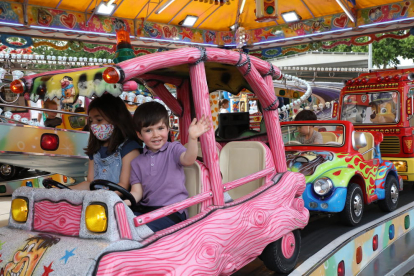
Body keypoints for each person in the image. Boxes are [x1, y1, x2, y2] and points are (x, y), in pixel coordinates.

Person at [127, 101, 211, 232]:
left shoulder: (173, 149)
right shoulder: (136, 163)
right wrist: (121, 203)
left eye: (160, 128)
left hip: (173, 211)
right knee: (121, 223)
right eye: (148, 130)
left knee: (137, 230)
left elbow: (188, 159)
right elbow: (137, 193)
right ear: (139, 135)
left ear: (167, 128)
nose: (156, 135)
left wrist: (193, 138)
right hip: (148, 211)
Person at [71, 93, 141, 192]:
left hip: (117, 203)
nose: (93, 125)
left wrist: (101, 198)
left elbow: (123, 186)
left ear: (116, 118)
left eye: (99, 120)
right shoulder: (95, 149)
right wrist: (65, 190)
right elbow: (89, 182)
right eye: (91, 121)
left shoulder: (129, 148)